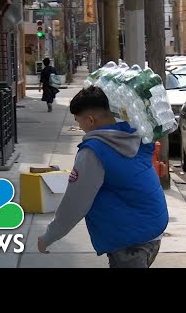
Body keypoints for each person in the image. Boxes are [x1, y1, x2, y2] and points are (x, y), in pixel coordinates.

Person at [38, 86, 169, 268]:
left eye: (78, 121)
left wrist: (48, 237)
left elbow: (75, 204)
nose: (79, 126)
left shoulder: (94, 153)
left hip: (129, 241)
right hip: (152, 229)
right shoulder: (133, 134)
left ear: (90, 120)